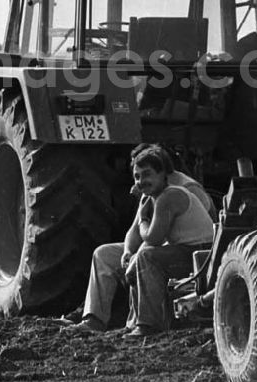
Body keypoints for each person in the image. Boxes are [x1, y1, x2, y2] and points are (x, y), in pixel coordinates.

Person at [69, 144, 214, 336]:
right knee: (104, 253)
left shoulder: (172, 194)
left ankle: (148, 325)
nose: (140, 181)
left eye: (146, 174)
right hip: (169, 248)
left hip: (197, 252)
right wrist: (128, 252)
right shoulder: (150, 196)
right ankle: (96, 321)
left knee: (146, 257)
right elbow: (135, 232)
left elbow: (152, 238)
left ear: (163, 173)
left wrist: (143, 222)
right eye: (137, 176)